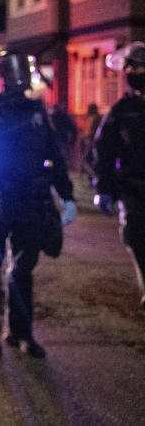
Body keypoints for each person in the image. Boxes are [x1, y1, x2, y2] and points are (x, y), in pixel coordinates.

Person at [0, 51, 76, 359]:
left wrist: (67, 194)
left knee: (23, 270)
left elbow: (54, 156)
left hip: (30, 200)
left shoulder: (36, 111)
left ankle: (21, 334)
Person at [93, 42, 145, 311]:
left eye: (138, 67)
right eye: (129, 68)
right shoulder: (122, 111)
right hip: (134, 188)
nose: (133, 72)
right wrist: (104, 189)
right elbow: (103, 150)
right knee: (136, 238)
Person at [49, 102, 78, 169]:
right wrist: (73, 139)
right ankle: (62, 168)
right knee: (63, 156)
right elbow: (72, 129)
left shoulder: (51, 118)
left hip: (56, 140)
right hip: (62, 139)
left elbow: (72, 129)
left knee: (51, 157)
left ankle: (52, 168)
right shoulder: (63, 117)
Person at [81, 102, 102, 183]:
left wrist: (83, 136)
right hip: (95, 143)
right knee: (93, 161)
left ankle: (94, 177)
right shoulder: (98, 118)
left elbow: (90, 132)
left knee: (86, 161)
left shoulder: (93, 118)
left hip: (92, 143)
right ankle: (93, 177)